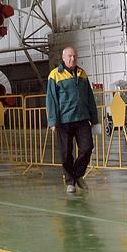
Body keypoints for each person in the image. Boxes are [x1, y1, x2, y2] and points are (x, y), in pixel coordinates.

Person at [45, 46, 99, 193]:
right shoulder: (55, 75)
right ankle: (70, 182)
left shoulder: (82, 74)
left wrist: (94, 119)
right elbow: (51, 100)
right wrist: (52, 122)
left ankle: (78, 174)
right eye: (69, 56)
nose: (72, 59)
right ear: (63, 58)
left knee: (87, 147)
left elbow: (90, 97)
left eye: (74, 56)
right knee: (65, 153)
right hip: (64, 120)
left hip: (82, 118)